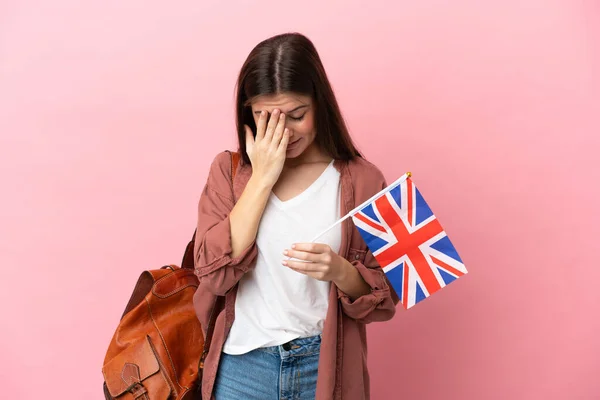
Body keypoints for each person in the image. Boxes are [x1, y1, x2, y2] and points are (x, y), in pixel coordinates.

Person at [193, 32, 399, 400]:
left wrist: (341, 272)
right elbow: (213, 274)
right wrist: (262, 177)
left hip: (323, 367)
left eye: (296, 115)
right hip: (241, 370)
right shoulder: (228, 171)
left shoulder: (365, 179)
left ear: (320, 105)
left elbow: (385, 298)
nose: (283, 133)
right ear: (247, 114)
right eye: (264, 117)